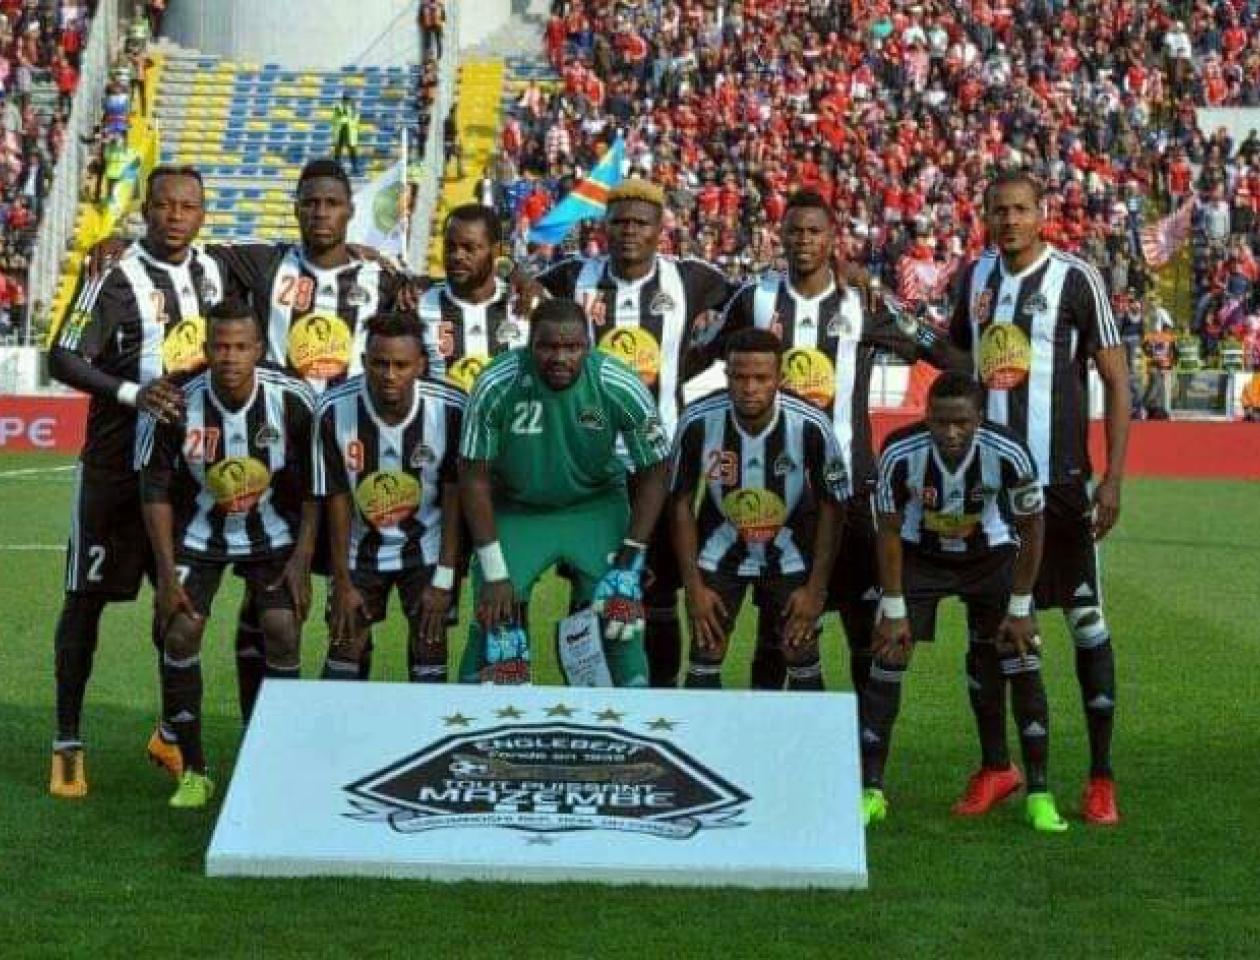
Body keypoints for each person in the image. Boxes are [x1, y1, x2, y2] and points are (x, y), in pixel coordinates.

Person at [703, 190, 950, 694]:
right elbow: (699, 352)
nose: (803, 240)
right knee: (777, 631)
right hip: (779, 490)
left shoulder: (862, 302)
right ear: (781, 235)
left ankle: (864, 740)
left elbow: (937, 347)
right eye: (794, 230)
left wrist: (883, 293)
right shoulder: (755, 298)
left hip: (851, 488)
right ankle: (773, 733)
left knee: (863, 628)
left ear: (832, 238)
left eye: (814, 231)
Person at [948, 170, 1130, 825]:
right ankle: (997, 766)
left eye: (1021, 209)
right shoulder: (975, 277)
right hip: (989, 485)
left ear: (1042, 214)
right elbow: (956, 358)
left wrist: (1113, 477)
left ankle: (1100, 777)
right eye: (999, 210)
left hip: (1060, 486)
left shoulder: (1076, 279)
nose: (1010, 220)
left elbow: (1116, 377)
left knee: (1086, 622)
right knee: (988, 626)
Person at [45, 165, 231, 798]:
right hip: (114, 470)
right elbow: (62, 356)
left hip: (177, 476)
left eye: (188, 206)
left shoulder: (215, 270)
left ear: (202, 213)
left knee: (177, 602)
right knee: (85, 600)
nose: (176, 216)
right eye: (164, 205)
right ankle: (67, 742)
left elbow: (298, 255)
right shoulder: (114, 271)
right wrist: (133, 392)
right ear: (146, 209)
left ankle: (170, 733)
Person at [535, 178, 739, 688]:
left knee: (658, 593)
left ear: (659, 229)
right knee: (588, 589)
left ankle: (659, 701)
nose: (629, 231)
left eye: (640, 223)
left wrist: (689, 362)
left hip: (659, 467)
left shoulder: (690, 279)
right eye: (619, 221)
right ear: (604, 227)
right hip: (591, 472)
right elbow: (519, 286)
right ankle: (588, 703)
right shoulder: (573, 275)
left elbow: (749, 303)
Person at [865, 372, 1065, 833]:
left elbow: (1033, 527)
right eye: (941, 421)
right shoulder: (899, 451)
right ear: (926, 416)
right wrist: (893, 608)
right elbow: (888, 530)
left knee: (1021, 656)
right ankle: (870, 791)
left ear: (979, 417)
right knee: (888, 655)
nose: (951, 432)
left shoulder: (1008, 450)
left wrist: (1020, 607)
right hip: (920, 556)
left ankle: (1039, 793)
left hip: (991, 558)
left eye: (962, 422)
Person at [136, 301, 318, 809]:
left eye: (241, 347)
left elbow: (316, 486)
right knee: (181, 629)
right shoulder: (177, 403)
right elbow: (154, 490)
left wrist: (302, 561)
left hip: (272, 532)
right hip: (199, 533)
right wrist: (166, 574)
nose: (230, 356)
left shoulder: (292, 398)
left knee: (282, 627)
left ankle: (275, 757)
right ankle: (194, 770)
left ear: (259, 349)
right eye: (220, 346)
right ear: (206, 348)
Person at [457, 297, 671, 686]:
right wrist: (494, 572)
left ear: (588, 346)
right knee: (493, 623)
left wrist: (631, 558)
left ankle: (634, 715)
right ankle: (473, 719)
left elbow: (656, 468)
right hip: (518, 510)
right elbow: (473, 478)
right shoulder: (495, 383)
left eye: (572, 347)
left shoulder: (618, 382)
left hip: (595, 505)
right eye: (548, 346)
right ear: (529, 345)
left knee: (621, 617)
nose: (560, 357)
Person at [669, 327, 849, 690]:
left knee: (800, 650)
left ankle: (804, 729)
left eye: (761, 378)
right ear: (726, 375)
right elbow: (680, 502)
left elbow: (833, 506)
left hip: (790, 553)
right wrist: (694, 588)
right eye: (739, 377)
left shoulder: (811, 424)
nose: (749, 388)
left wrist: (815, 590)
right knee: (706, 650)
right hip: (719, 552)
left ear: (780, 377)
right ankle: (700, 728)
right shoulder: (697, 421)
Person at [314, 313, 465, 681]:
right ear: (364, 362)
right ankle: (341, 718)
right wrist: (342, 582)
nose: (390, 374)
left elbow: (455, 500)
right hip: (359, 547)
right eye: (380, 364)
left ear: (421, 365)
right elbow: (336, 500)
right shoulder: (333, 409)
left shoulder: (450, 409)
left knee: (430, 643)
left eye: (401, 365)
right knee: (345, 643)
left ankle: (427, 719)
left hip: (427, 546)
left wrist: (444, 578)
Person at [418, 204, 528, 394]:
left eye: (469, 248)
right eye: (450, 247)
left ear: (496, 251)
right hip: (443, 412)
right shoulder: (418, 305)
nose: (457, 256)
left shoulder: (523, 303)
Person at [332, 94, 361, 177]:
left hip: (350, 131)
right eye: (345, 99)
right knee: (338, 150)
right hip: (340, 130)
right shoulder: (338, 107)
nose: (346, 101)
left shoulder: (353, 108)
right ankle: (336, 169)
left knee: (352, 150)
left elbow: (355, 118)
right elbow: (337, 117)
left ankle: (355, 169)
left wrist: (353, 125)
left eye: (347, 99)